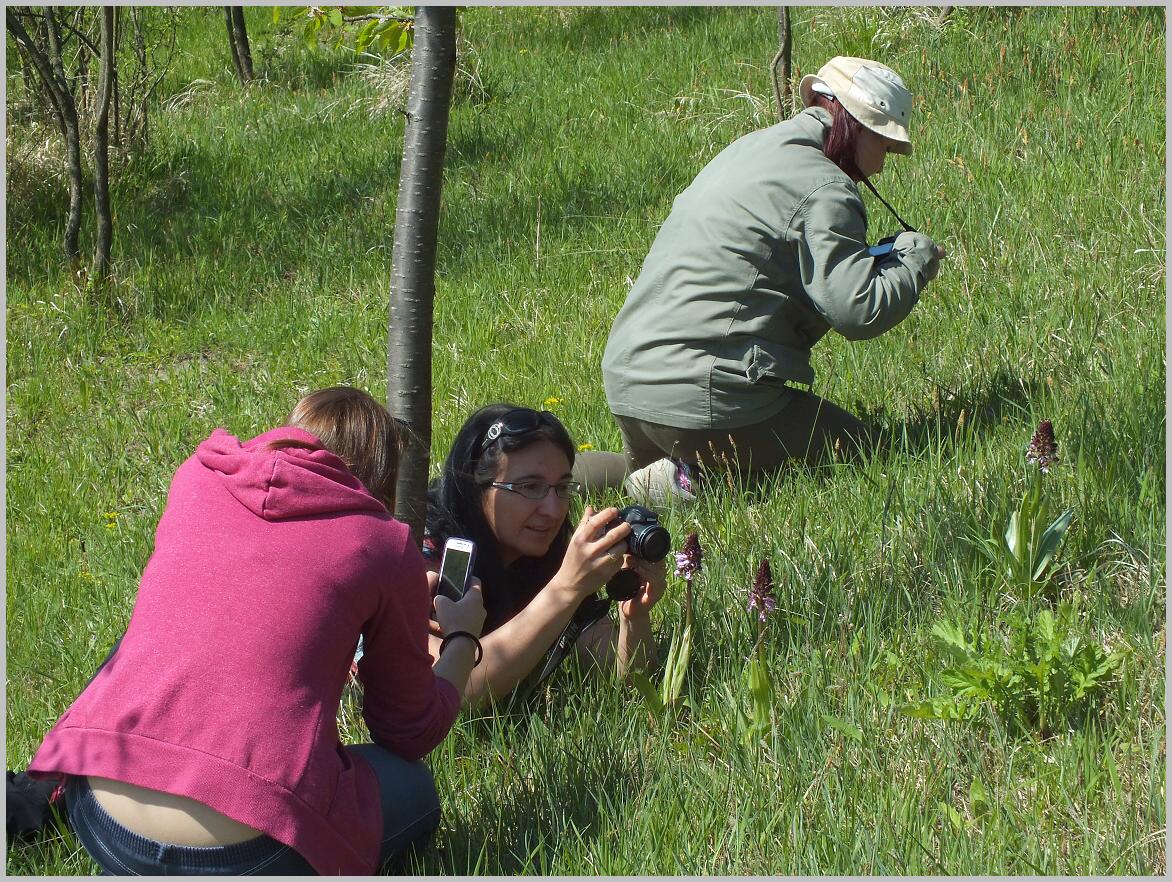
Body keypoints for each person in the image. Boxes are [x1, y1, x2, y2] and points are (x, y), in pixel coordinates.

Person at [26, 386, 487, 875]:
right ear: (383, 476)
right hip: (248, 848)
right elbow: (409, 732)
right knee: (414, 791)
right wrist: (462, 637)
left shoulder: (196, 475)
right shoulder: (383, 544)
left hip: (100, 813)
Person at [602, 56, 948, 503]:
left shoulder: (747, 149)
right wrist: (916, 258)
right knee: (868, 453)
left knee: (643, 468)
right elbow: (859, 311)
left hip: (629, 381)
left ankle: (548, 477)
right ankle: (683, 484)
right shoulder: (826, 188)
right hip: (704, 398)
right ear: (859, 127)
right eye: (885, 145)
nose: (882, 165)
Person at [424, 404, 668, 706]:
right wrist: (566, 587)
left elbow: (628, 684)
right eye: (530, 487)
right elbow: (454, 694)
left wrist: (634, 618)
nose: (553, 511)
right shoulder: (427, 552)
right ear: (476, 488)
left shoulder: (544, 555)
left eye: (562, 487)